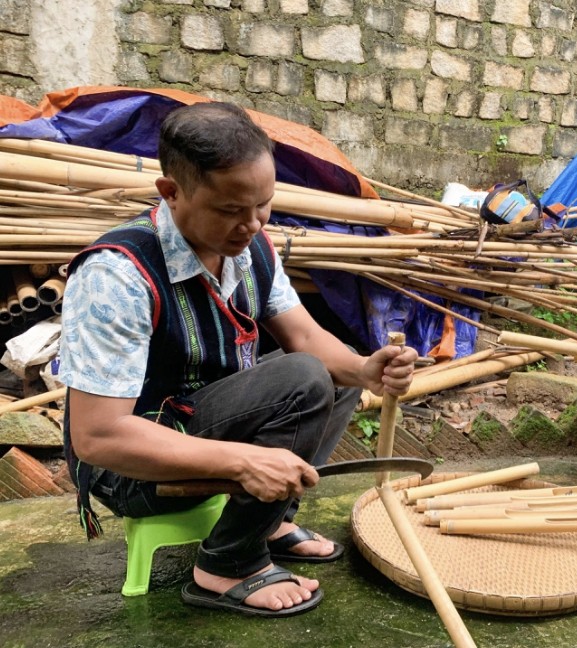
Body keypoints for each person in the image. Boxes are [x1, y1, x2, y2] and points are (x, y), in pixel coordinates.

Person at [60, 101, 418, 616]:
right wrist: (243, 460)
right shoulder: (116, 276)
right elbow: (97, 438)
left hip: (198, 426)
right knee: (303, 379)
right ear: (172, 192)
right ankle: (227, 563)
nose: (251, 224)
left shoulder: (250, 248)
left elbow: (306, 336)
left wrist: (365, 371)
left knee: (331, 373)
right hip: (133, 471)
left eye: (263, 205)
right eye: (230, 210)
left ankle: (270, 518)